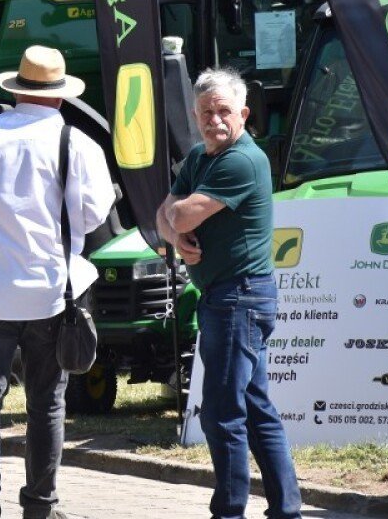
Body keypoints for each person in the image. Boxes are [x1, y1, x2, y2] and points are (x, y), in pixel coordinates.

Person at [0, 46, 115, 519]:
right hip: (51, 294)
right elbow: (96, 213)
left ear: (16, 91)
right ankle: (40, 503)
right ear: (59, 97)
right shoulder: (77, 144)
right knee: (46, 403)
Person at [157, 68, 301, 519]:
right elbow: (164, 214)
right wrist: (176, 232)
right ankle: (286, 509)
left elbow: (176, 215)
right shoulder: (202, 156)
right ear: (195, 117)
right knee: (255, 409)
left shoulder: (242, 159)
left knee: (222, 414)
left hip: (239, 299)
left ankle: (230, 511)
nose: (214, 120)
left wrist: (175, 226)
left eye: (223, 111)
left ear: (243, 113)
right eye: (205, 112)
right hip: (230, 297)